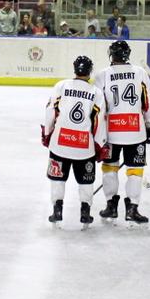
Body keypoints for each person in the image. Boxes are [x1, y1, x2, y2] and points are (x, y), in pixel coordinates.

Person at [93, 41, 150, 224]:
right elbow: (148, 102)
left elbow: (98, 106)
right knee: (135, 171)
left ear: (111, 55)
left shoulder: (102, 75)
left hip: (111, 131)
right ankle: (132, 209)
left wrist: (96, 133)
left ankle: (111, 206)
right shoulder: (140, 72)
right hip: (135, 130)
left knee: (110, 169)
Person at [41, 56, 107, 228]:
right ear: (89, 71)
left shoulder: (61, 86)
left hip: (60, 143)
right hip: (84, 147)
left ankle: (57, 210)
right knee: (86, 181)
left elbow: (50, 112)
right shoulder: (96, 92)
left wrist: (47, 133)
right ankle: (85, 213)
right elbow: (99, 121)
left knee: (58, 179)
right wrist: (99, 145)